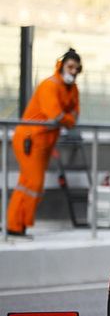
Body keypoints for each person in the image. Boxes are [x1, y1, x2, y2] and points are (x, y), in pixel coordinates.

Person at [6, 49, 82, 237]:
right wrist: (67, 119)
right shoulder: (50, 86)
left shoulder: (72, 89)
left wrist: (66, 119)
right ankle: (15, 226)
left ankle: (17, 225)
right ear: (61, 66)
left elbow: (74, 115)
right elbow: (55, 114)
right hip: (30, 139)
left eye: (76, 68)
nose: (73, 71)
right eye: (70, 67)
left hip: (44, 141)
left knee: (27, 183)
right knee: (33, 183)